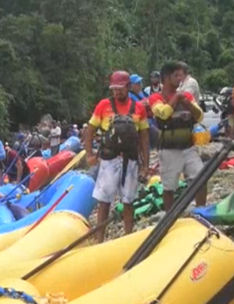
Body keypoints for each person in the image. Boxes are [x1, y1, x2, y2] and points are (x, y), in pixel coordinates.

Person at [83, 70, 151, 242]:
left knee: (128, 201)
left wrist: (145, 165)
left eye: (120, 88)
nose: (117, 92)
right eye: (114, 89)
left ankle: (127, 237)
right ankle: (100, 239)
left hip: (130, 160)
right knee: (104, 201)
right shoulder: (103, 106)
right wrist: (89, 154)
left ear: (128, 87)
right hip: (108, 159)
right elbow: (90, 130)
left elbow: (144, 137)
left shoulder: (139, 108)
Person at [149, 62, 207, 211]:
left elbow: (200, 116)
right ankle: (169, 217)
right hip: (168, 149)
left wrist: (187, 103)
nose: (180, 79)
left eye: (181, 75)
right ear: (167, 78)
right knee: (169, 187)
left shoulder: (187, 96)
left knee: (200, 178)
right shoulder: (156, 97)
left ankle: (201, 212)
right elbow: (163, 113)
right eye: (177, 75)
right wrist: (176, 99)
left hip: (189, 147)